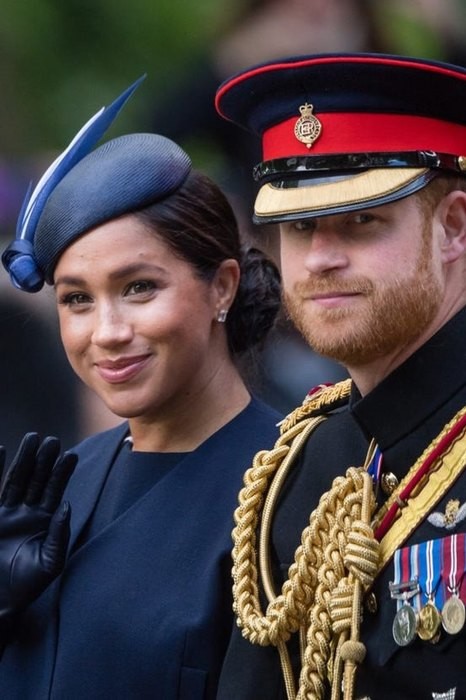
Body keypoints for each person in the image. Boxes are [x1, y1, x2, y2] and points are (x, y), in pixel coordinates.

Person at [0, 79, 282, 699]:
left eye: (139, 288)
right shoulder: (62, 482)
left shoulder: (288, 484)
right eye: (76, 299)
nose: (107, 332)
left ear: (222, 287)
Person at [214, 52, 466, 699]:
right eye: (299, 226)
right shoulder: (301, 465)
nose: (322, 257)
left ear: (454, 227)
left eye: (362, 220)